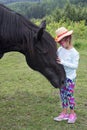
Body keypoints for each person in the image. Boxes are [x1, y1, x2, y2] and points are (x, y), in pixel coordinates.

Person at [54, 27, 80, 123]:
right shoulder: (60, 50)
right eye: (59, 42)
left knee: (69, 96)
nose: (60, 44)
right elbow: (56, 59)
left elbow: (75, 66)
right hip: (62, 77)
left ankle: (72, 114)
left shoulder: (74, 53)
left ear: (68, 38)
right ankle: (64, 113)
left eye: (62, 42)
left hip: (70, 78)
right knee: (63, 95)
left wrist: (63, 62)